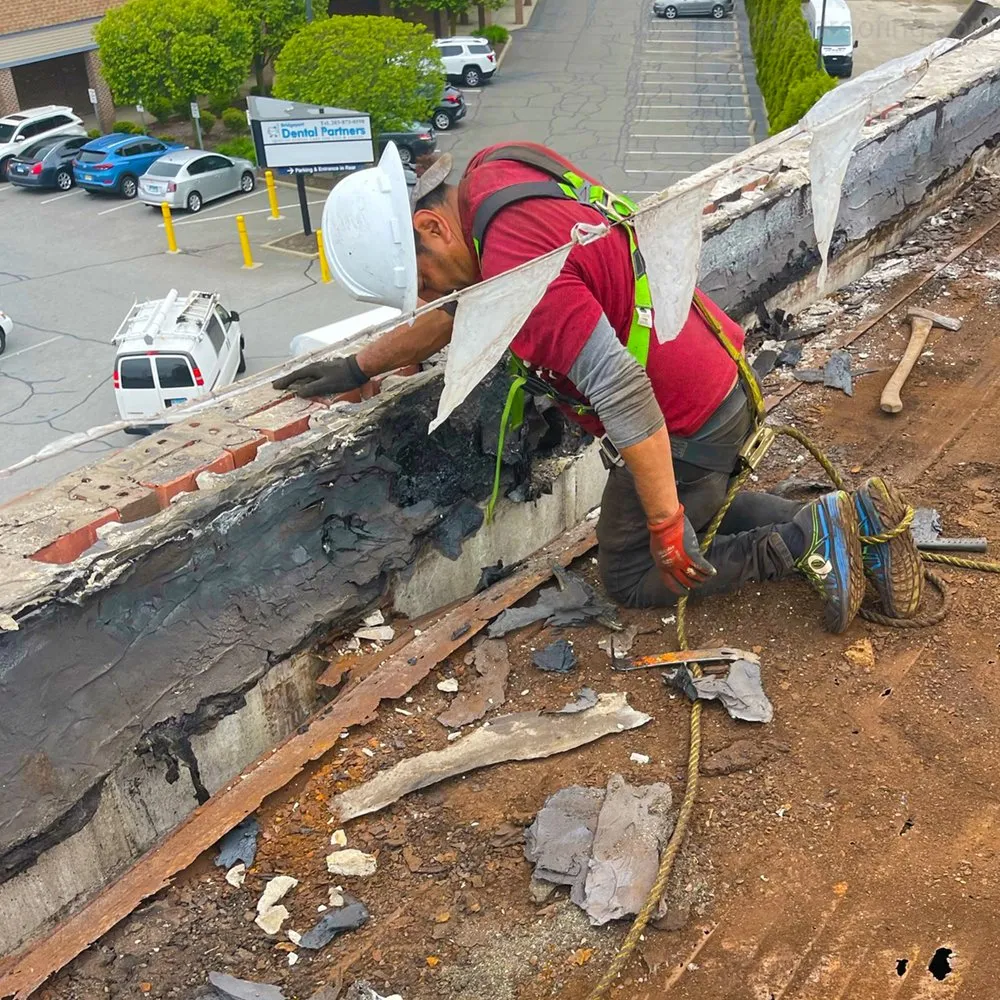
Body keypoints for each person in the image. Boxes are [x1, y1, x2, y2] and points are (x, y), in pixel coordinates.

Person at [275, 142, 922, 631]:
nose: (432, 296)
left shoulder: (520, 275)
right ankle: (840, 518)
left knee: (634, 573)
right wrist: (360, 367)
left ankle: (801, 541)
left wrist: (666, 519)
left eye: (424, 281)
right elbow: (459, 312)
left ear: (431, 229)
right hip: (713, 365)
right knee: (696, 504)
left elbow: (621, 388)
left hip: (683, 419)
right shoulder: (497, 173)